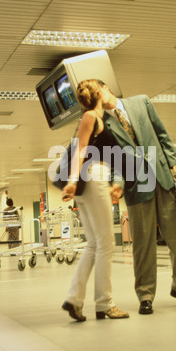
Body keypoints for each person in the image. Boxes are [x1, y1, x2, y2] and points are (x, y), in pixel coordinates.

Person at [97, 81, 176, 314]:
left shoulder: (141, 102)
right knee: (143, 245)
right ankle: (145, 295)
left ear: (107, 87)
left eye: (98, 91)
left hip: (163, 176)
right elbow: (113, 158)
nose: (98, 97)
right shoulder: (102, 124)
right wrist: (117, 183)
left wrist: (173, 160)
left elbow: (161, 133)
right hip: (136, 185)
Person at [61, 79, 129, 322]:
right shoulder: (90, 117)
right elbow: (80, 149)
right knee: (107, 243)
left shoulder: (97, 118)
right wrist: (71, 180)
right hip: (93, 177)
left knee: (93, 244)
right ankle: (105, 304)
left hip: (91, 180)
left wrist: (114, 183)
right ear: (100, 93)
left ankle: (74, 299)